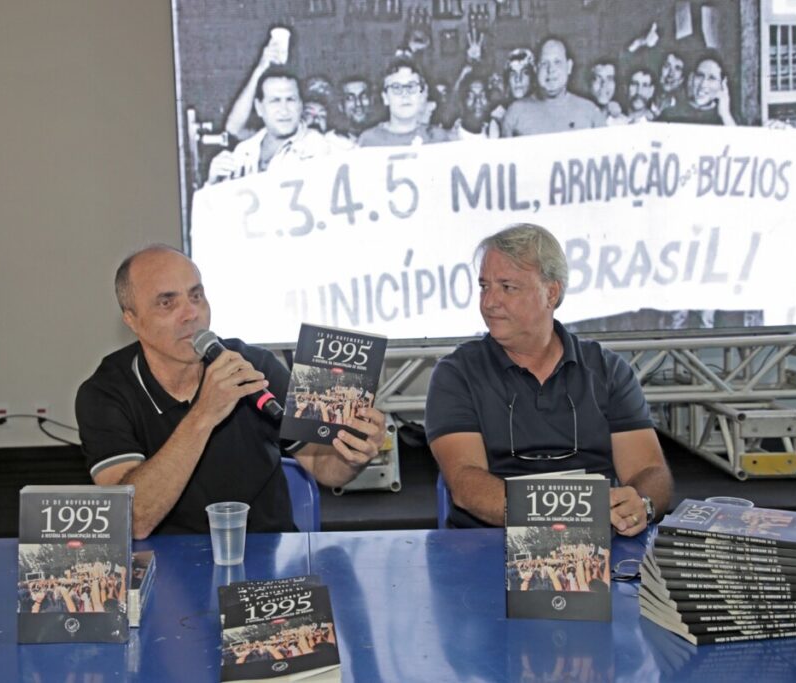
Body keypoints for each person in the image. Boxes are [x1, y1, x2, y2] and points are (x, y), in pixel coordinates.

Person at [75, 245, 385, 536]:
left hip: (265, 556)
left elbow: (321, 464)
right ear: (131, 319)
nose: (191, 314)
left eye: (196, 296)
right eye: (167, 303)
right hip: (165, 563)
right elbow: (133, 521)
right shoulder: (104, 394)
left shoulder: (254, 365)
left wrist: (352, 454)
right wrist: (204, 414)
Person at [425, 224, 672, 532]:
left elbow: (650, 470)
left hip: (600, 542)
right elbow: (466, 483)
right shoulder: (457, 373)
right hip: (490, 543)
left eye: (507, 287)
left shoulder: (607, 370)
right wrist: (572, 514)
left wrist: (641, 504)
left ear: (551, 293)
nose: (489, 302)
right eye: (484, 286)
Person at [208, 66, 331, 183]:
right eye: (275, 101)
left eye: (291, 100)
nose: (284, 110)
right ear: (259, 107)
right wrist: (213, 183)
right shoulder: (244, 151)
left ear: (300, 105)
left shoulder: (319, 148)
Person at [501, 37, 606, 137]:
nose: (551, 70)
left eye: (557, 62)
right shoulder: (515, 113)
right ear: (536, 69)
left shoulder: (590, 112)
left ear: (569, 67)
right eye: (544, 63)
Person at [357, 57, 451, 147]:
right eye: (396, 87)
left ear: (421, 94)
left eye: (411, 86)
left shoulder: (438, 139)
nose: (405, 94)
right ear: (385, 97)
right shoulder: (369, 141)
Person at [657, 52, 736, 125]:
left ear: (722, 84)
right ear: (692, 78)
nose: (703, 84)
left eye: (712, 78)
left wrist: (725, 115)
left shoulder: (729, 119)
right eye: (700, 75)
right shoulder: (671, 113)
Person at [588, 58, 626, 124]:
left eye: (609, 78)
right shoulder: (578, 115)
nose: (604, 84)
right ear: (589, 83)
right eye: (598, 78)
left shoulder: (624, 123)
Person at [652, 51, 685, 119]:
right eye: (667, 66)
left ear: (682, 79)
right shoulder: (645, 104)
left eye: (677, 68)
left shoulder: (683, 111)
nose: (671, 74)